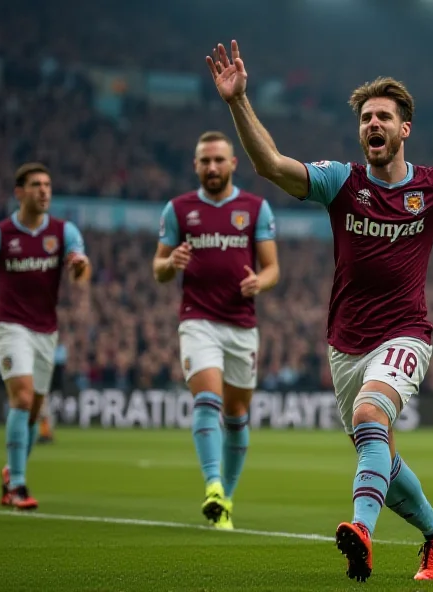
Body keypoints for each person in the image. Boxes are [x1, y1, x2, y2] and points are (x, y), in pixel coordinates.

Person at [206, 40, 433, 581]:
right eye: (365, 118)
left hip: (405, 335)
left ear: (405, 128)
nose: (372, 124)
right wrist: (238, 101)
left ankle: (361, 529)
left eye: (384, 116)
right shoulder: (341, 182)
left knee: (369, 418)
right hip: (345, 344)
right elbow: (269, 165)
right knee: (375, 446)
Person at [152, 131, 280, 530]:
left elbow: (273, 268)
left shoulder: (255, 208)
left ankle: (225, 497)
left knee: (238, 414)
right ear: (195, 165)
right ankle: (211, 485)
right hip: (197, 319)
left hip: (241, 325)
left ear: (232, 164)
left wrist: (260, 282)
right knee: (208, 399)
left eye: (218, 160)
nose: (212, 167)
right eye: (205, 161)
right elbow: (157, 270)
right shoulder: (178, 210)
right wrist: (171, 261)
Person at [0, 163, 91, 510]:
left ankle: (9, 474)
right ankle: (18, 485)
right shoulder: (0, 235)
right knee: (22, 398)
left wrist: (79, 265)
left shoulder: (64, 232)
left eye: (47, 184)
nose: (44, 191)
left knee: (33, 412)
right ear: (19, 192)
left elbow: (81, 269)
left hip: (46, 331)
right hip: (10, 326)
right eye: (36, 185)